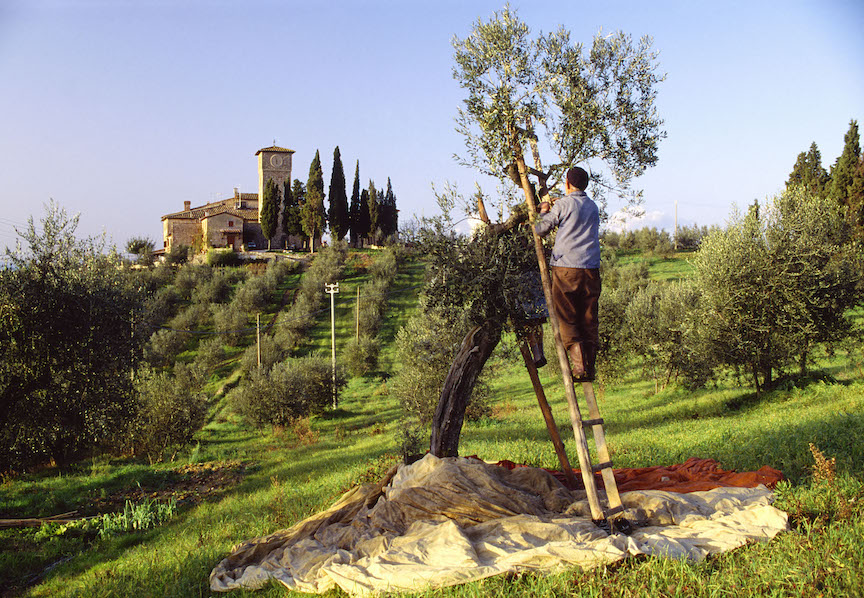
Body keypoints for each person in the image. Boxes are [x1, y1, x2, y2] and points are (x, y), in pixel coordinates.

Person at [533, 166, 601, 381]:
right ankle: (589, 368)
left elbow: (540, 229)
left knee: (567, 318)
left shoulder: (563, 204)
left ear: (567, 183)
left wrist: (544, 210)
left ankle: (579, 368)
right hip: (591, 268)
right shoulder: (593, 206)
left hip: (566, 269)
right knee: (589, 318)